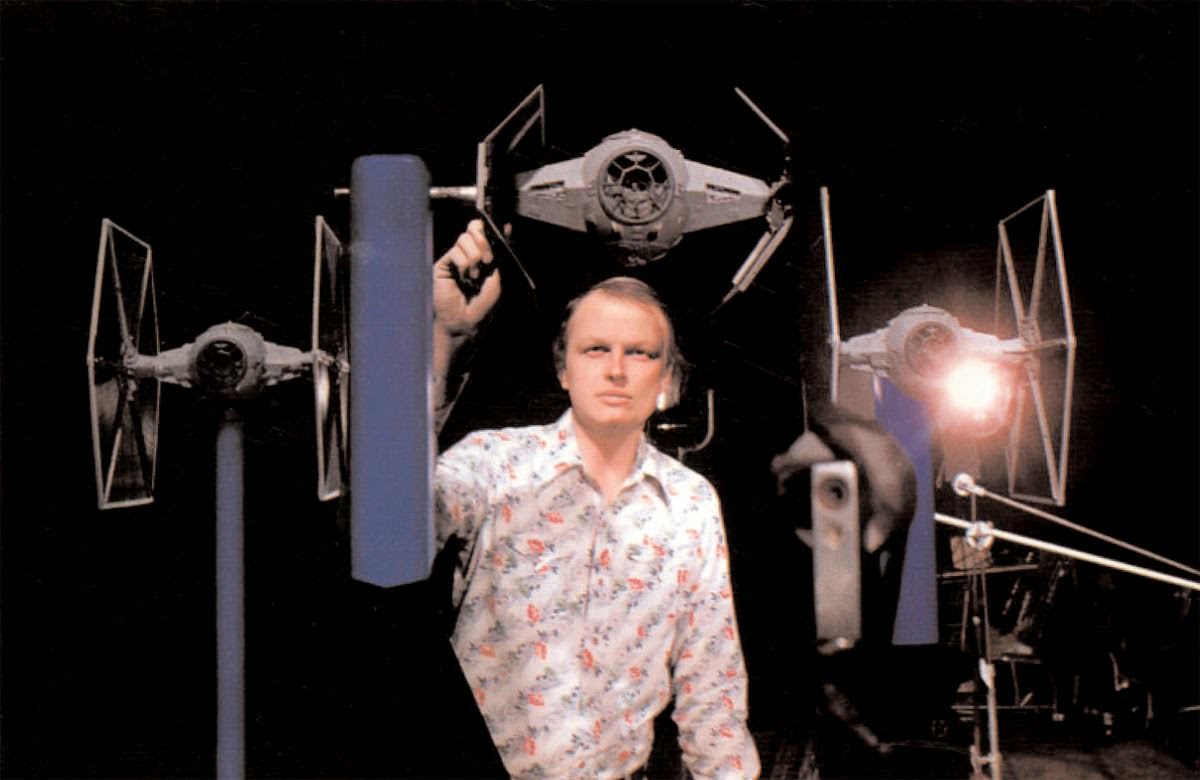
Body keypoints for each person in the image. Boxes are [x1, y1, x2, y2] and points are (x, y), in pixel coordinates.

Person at [429, 219, 761, 779]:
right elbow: (390, 529)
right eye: (595, 349)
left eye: (640, 353)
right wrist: (445, 337)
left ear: (668, 383)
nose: (615, 370)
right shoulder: (492, 463)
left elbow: (713, 688)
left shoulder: (690, 505)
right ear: (563, 369)